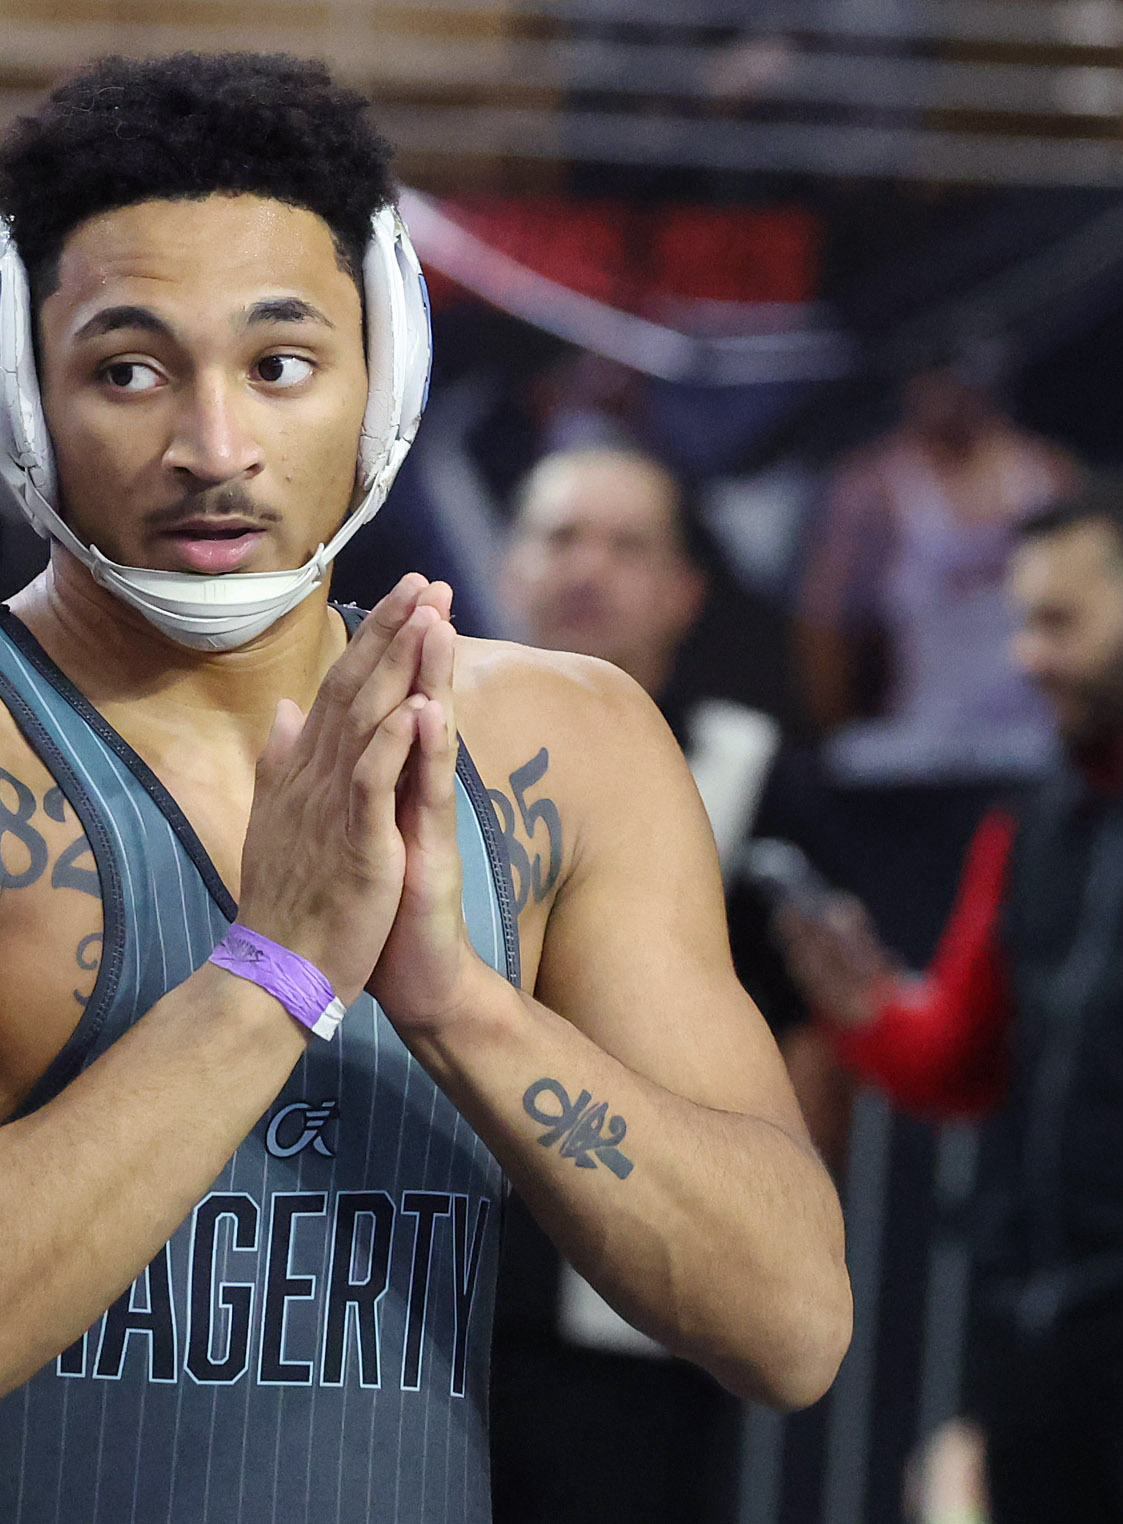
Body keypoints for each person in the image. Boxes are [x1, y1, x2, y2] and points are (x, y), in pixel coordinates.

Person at [0, 51, 850, 1519]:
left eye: (279, 366)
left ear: (386, 381)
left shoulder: (567, 747)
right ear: (17, 396)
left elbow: (790, 1324)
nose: (214, 447)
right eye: (128, 371)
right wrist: (275, 971)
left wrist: (461, 1004)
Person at [776, 477, 1123, 1522]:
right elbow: (963, 1059)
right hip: (1038, 1343)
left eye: (1057, 622)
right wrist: (865, 1014)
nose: (1026, 656)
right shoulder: (1030, 829)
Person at [491, 444, 808, 1522]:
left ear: (684, 592)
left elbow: (810, 1045)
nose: (587, 569)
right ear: (508, 567)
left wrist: (764, 1247)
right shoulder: (399, 742)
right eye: (560, 538)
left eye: (627, 547)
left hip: (629, 1315)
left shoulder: (747, 772)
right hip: (408, 1298)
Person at [796, 353, 1078, 784]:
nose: (948, 396)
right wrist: (833, 721)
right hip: (924, 742)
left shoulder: (1050, 478)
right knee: (846, 758)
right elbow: (823, 627)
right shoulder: (871, 489)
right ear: (911, 385)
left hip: (1034, 738)